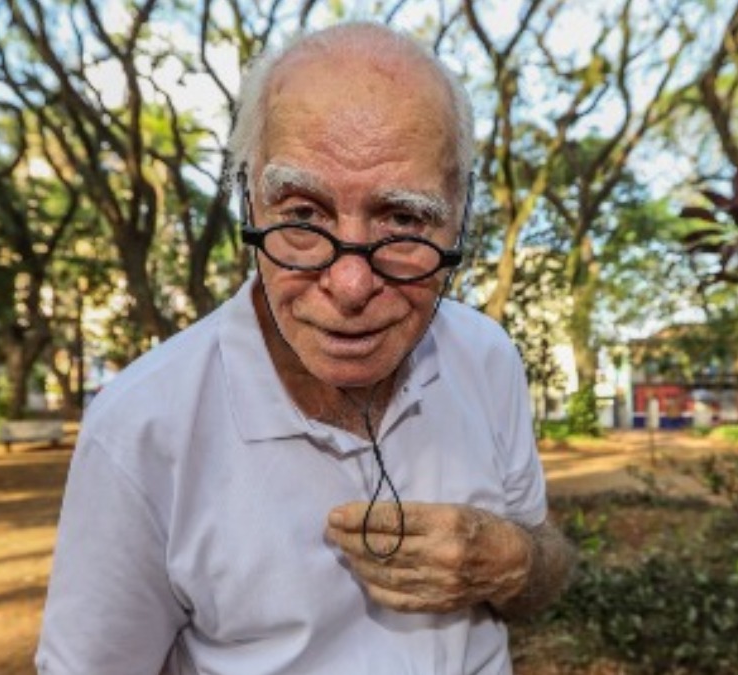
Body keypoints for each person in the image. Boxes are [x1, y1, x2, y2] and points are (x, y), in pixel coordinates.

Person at [36, 21, 574, 675]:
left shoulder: (487, 357)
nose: (349, 285)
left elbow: (544, 567)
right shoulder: (142, 427)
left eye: (403, 218)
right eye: (301, 216)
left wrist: (512, 559)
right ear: (249, 199)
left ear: (459, 212)